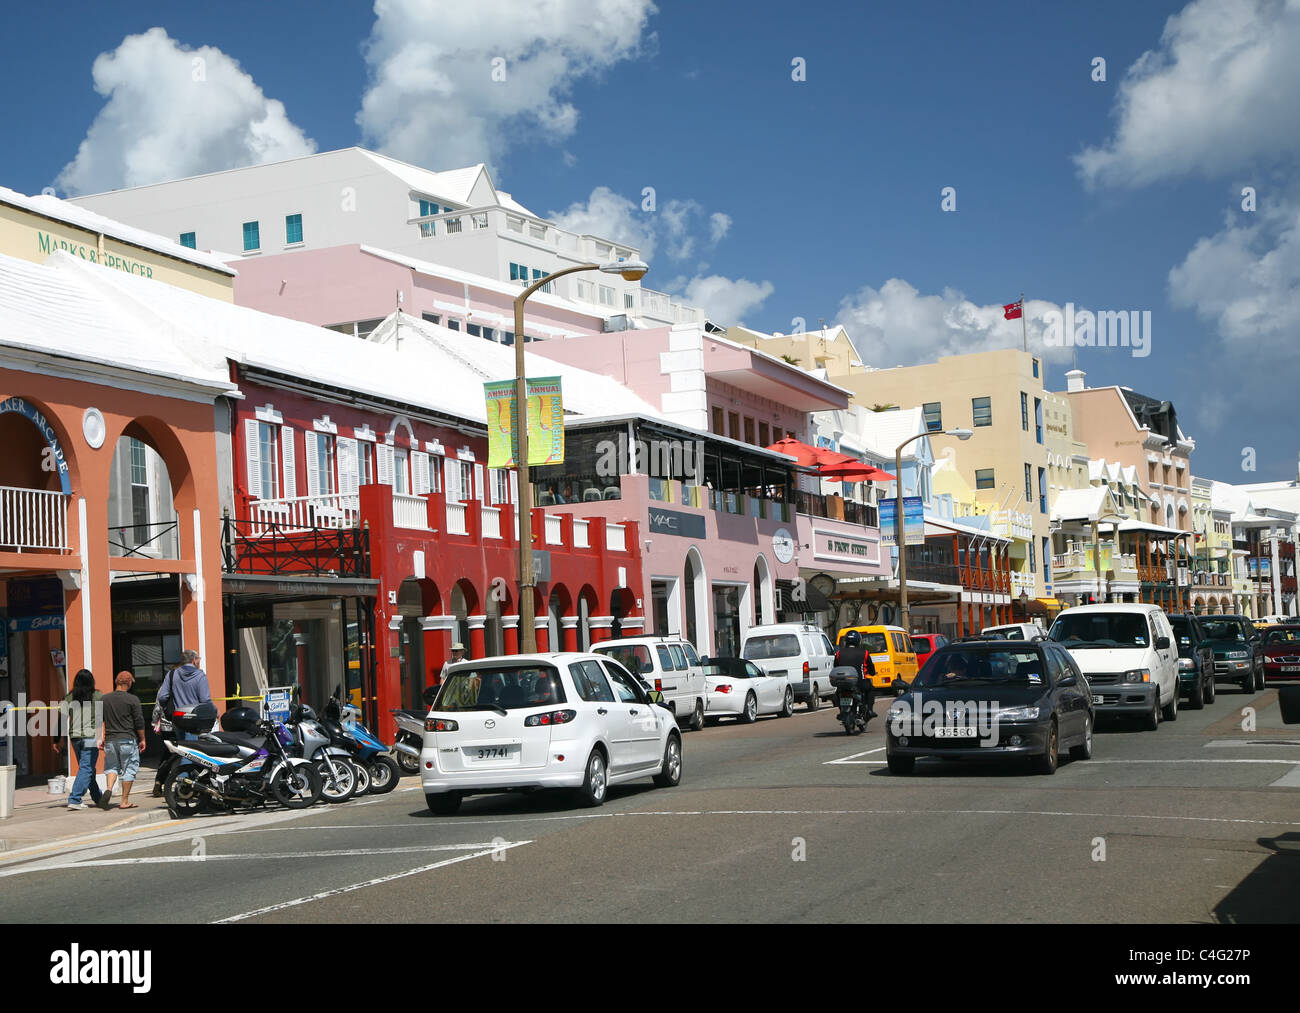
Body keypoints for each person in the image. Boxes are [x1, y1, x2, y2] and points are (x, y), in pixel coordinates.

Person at [98, 671, 146, 810]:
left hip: (110, 740)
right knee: (129, 769)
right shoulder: (133, 700)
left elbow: (99, 720)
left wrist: (101, 738)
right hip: (127, 739)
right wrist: (142, 739)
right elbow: (139, 722)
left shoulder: (104, 699)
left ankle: (108, 789)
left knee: (112, 767)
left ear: (116, 682)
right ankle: (124, 801)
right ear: (129, 683)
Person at [58, 669, 104, 811]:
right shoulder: (97, 695)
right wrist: (101, 736)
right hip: (90, 736)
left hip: (75, 737)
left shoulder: (68, 698)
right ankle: (75, 798)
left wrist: (57, 740)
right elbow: (100, 718)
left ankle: (98, 797)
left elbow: (61, 720)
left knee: (87, 768)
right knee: (86, 768)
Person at [154, 650, 212, 738]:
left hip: (178, 719)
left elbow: (162, 697)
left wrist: (166, 708)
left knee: (180, 747)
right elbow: (205, 699)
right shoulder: (200, 675)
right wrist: (213, 711)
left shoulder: (171, 675)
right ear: (194, 661)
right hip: (194, 719)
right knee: (193, 749)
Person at [833, 631, 876, 722]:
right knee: (871, 689)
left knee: (837, 693)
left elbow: (835, 667)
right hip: (861, 682)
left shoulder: (839, 653)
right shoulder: (864, 653)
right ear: (858, 641)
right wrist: (872, 673)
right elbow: (871, 668)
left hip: (843, 683)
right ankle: (869, 710)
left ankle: (842, 711)